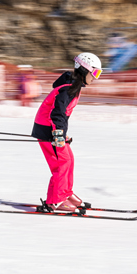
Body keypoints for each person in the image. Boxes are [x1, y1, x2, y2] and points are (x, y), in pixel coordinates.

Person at [31, 52, 103, 214]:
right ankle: (56, 200)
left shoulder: (73, 86)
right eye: (96, 73)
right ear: (85, 70)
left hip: (52, 129)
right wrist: (58, 134)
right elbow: (58, 114)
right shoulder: (68, 89)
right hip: (48, 130)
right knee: (61, 164)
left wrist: (62, 134)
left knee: (68, 160)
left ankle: (65, 194)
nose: (96, 78)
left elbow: (62, 115)